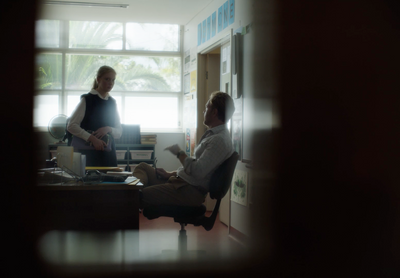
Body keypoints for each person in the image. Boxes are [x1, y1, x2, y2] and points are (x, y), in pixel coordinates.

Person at [134, 91, 235, 208]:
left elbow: (198, 171)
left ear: (214, 112)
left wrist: (179, 153)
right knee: (143, 167)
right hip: (181, 182)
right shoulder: (213, 135)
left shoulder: (219, 141)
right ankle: (137, 191)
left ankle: (136, 194)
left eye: (206, 108)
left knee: (136, 196)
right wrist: (171, 173)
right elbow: (199, 166)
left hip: (188, 191)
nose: (203, 111)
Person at [67, 65, 122, 166]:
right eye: (107, 79)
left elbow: (119, 132)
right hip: (88, 154)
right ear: (98, 79)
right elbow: (71, 125)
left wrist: (108, 129)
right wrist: (92, 139)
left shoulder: (112, 103)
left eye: (113, 80)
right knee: (89, 181)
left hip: (108, 155)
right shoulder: (87, 99)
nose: (111, 83)